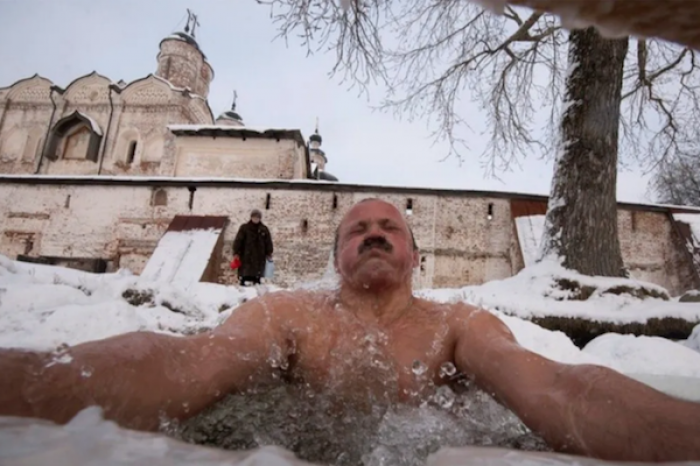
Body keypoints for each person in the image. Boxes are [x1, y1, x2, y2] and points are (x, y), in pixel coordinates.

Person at [1, 198, 699, 462]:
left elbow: (554, 389)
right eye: (357, 229)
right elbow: (188, 364)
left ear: (414, 256)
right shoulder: (288, 316)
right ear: (335, 255)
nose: (372, 235)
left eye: (388, 227)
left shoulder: (457, 326)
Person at [232, 209, 273, 286]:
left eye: (257, 217)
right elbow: (238, 240)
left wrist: (269, 252)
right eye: (254, 217)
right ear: (251, 217)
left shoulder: (264, 229)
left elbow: (268, 242)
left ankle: (257, 281)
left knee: (257, 275)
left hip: (259, 256)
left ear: (260, 218)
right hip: (246, 255)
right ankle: (244, 282)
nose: (256, 219)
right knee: (246, 273)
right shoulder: (244, 228)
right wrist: (236, 252)